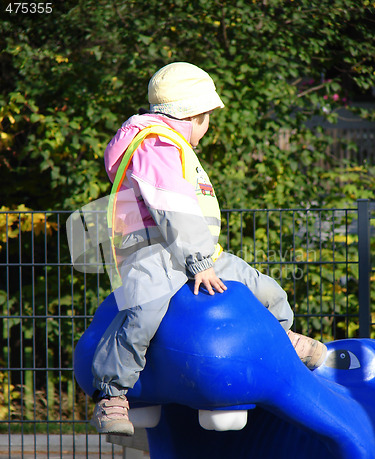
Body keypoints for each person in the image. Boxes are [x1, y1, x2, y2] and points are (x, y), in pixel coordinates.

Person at [90, 62, 327, 435]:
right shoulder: (157, 146)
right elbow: (172, 211)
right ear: (195, 116)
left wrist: (202, 258)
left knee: (265, 289)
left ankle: (280, 339)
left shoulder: (174, 145)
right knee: (144, 313)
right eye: (207, 119)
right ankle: (113, 392)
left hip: (197, 253)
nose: (207, 128)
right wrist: (199, 262)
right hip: (153, 254)